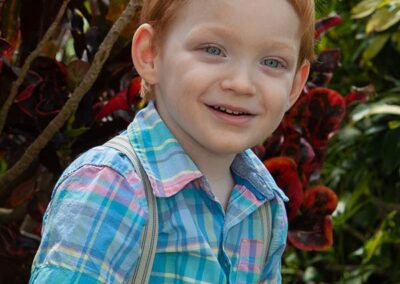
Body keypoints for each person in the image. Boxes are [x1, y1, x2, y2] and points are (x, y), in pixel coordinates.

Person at [30, 0, 314, 283]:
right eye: (213, 50)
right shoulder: (113, 187)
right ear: (150, 54)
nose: (241, 84)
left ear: (295, 85)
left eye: (273, 62)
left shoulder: (264, 204)